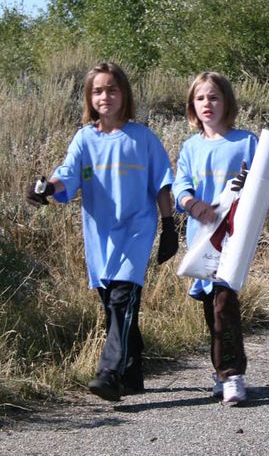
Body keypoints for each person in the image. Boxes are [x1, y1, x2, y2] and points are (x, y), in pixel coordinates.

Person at [25, 62, 178, 402]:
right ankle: (133, 372)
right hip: (100, 236)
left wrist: (169, 227)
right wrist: (45, 188)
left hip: (137, 229)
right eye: (98, 91)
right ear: (89, 97)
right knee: (112, 304)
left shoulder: (142, 137)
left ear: (124, 94)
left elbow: (162, 184)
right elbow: (67, 175)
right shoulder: (85, 139)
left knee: (123, 300)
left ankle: (109, 373)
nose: (105, 96)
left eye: (112, 89)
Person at [172, 71, 254, 405]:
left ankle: (231, 374)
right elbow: (180, 186)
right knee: (212, 308)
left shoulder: (246, 141)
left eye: (215, 97)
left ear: (227, 102)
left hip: (234, 239)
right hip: (202, 241)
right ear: (193, 105)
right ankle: (222, 372)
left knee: (224, 303)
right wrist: (191, 203)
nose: (208, 103)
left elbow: (265, 187)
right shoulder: (190, 147)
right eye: (201, 98)